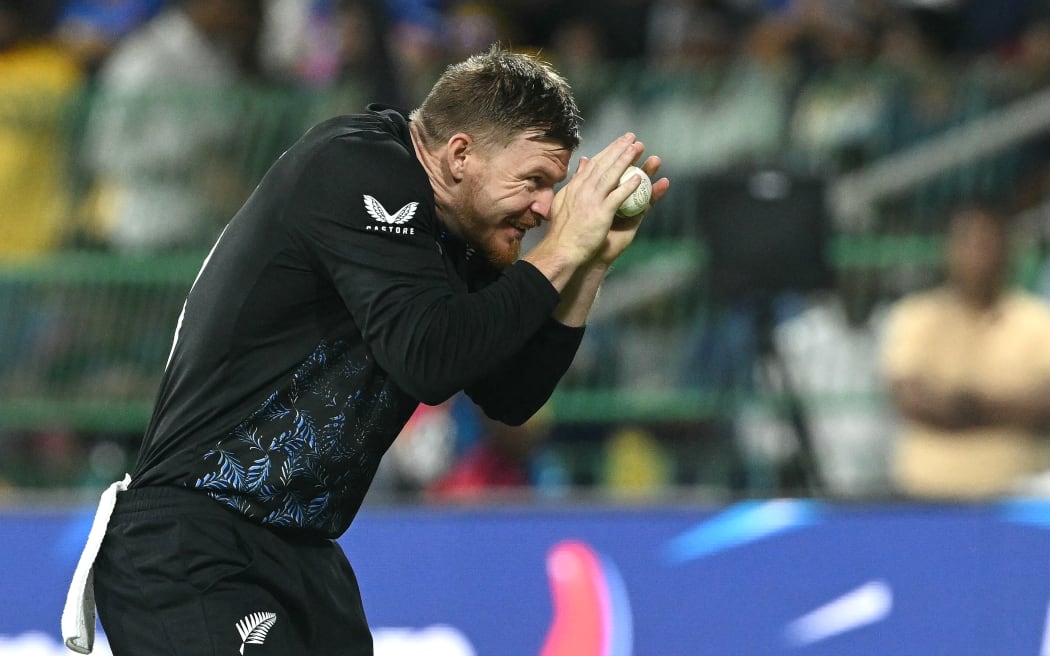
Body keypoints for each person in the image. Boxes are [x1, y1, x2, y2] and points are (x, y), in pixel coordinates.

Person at [63, 44, 669, 655]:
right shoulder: (357, 163)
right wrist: (562, 249)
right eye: (534, 180)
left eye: (555, 188)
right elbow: (427, 359)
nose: (545, 209)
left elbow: (509, 394)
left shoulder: (461, 235)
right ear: (459, 155)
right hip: (194, 542)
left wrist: (588, 266)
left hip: (302, 554)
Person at [881, 201, 1050, 499]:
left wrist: (967, 405)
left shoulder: (1037, 320)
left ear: (1007, 248)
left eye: (987, 241)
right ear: (948, 248)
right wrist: (1004, 409)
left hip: (1019, 499)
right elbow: (909, 399)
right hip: (923, 497)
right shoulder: (915, 316)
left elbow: (1043, 403)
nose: (977, 253)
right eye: (967, 241)